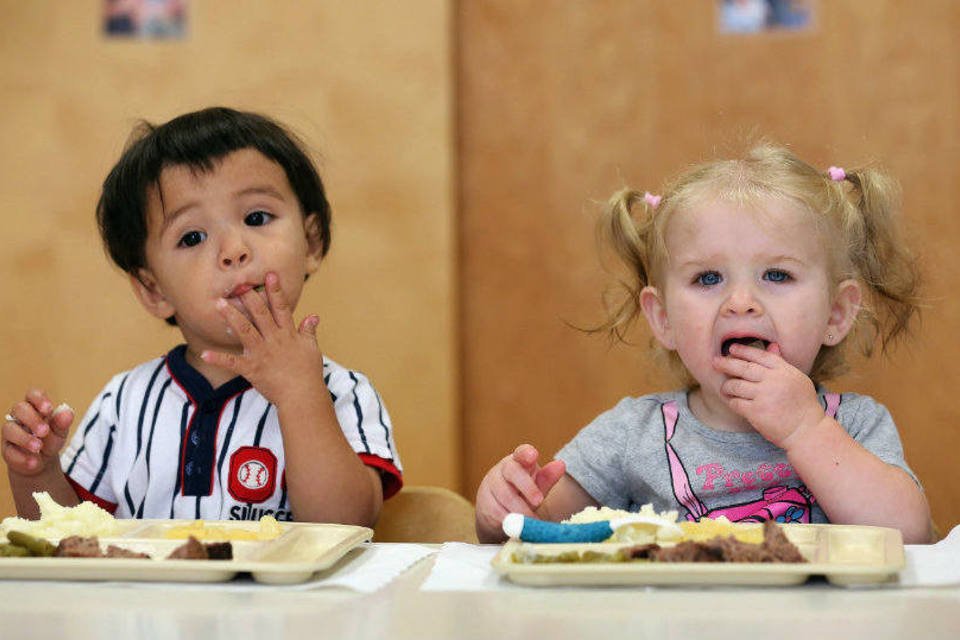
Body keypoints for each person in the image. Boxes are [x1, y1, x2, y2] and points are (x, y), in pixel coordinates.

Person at [475, 144, 933, 544]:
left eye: (777, 275)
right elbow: (543, 527)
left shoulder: (854, 425)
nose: (740, 302)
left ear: (836, 314)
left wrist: (805, 430)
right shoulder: (632, 434)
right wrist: (507, 511)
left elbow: (908, 536)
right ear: (663, 318)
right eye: (707, 278)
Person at [3, 107, 402, 525]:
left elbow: (345, 525)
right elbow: (64, 537)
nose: (233, 249)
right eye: (192, 237)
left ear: (312, 241)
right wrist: (38, 473)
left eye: (256, 218)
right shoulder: (124, 401)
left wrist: (300, 394)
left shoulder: (343, 392)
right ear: (154, 289)